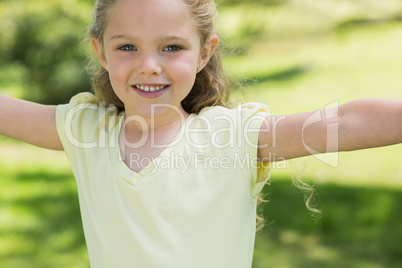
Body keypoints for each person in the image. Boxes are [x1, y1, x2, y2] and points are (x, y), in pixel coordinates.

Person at [0, 0, 401, 267]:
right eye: (127, 47)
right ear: (101, 51)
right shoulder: (86, 131)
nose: (149, 65)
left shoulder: (233, 136)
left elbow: (345, 123)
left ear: (204, 52)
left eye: (172, 47)